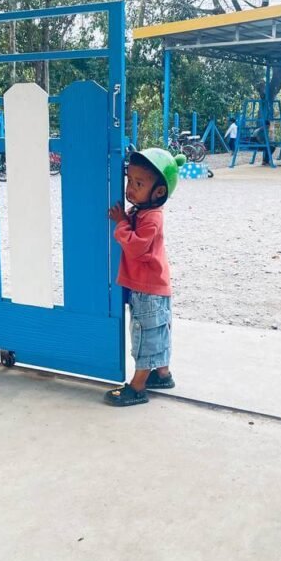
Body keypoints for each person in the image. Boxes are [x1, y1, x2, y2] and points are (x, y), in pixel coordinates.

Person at [106, 148, 185, 407]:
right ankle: (162, 374)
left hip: (148, 290)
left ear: (159, 192)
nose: (130, 189)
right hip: (154, 286)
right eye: (130, 181)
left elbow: (137, 247)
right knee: (158, 330)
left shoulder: (151, 218)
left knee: (145, 335)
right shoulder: (142, 210)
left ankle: (138, 386)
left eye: (138, 184)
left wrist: (121, 223)